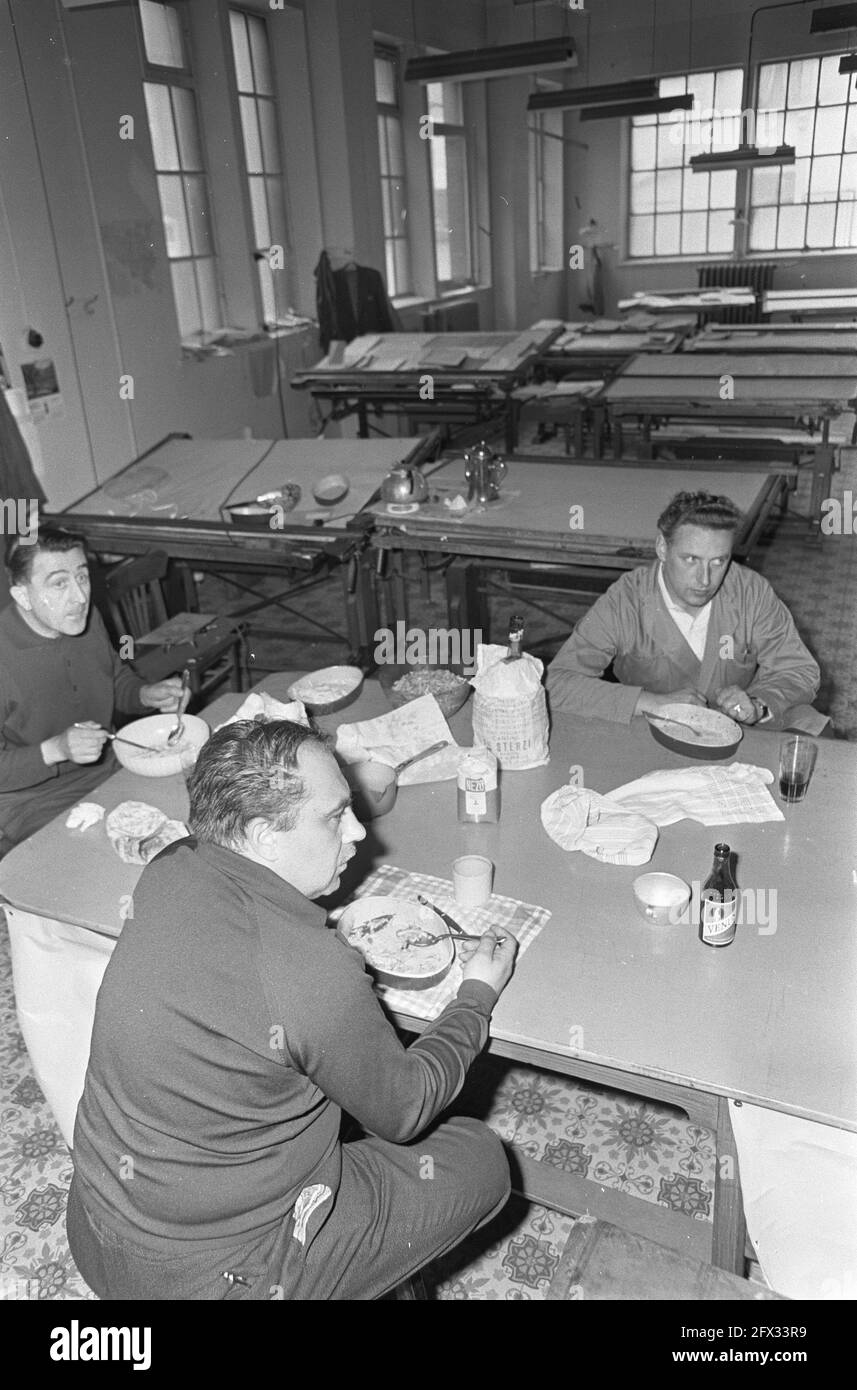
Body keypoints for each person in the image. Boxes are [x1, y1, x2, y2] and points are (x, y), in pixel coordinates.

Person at [67, 719, 517, 1300]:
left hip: (100, 1228)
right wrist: (475, 997)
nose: (359, 831)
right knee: (481, 1159)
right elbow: (405, 1110)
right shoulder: (309, 971)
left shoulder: (171, 866)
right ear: (262, 836)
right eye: (334, 816)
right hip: (212, 1280)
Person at [547, 490, 830, 736]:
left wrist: (758, 704)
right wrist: (653, 702)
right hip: (653, 729)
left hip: (741, 734)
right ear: (662, 548)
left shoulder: (750, 591)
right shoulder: (626, 600)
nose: (705, 579)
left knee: (813, 731)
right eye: (691, 559)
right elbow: (557, 683)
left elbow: (799, 669)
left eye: (719, 561)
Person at [0, 525, 186, 854]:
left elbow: (114, 677)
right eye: (59, 583)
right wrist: (55, 749)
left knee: (188, 814)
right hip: (32, 801)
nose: (80, 597)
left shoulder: (84, 619)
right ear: (22, 596)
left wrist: (146, 695)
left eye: (82, 577)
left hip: (108, 768)